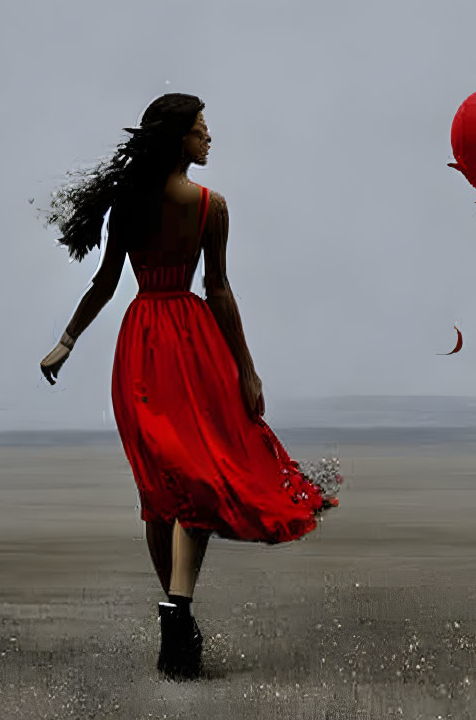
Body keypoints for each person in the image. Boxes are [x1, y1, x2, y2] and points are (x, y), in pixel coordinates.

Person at [38, 93, 342, 680]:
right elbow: (214, 292)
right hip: (181, 343)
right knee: (171, 488)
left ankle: (177, 615)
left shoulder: (171, 206)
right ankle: (178, 610)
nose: (209, 138)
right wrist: (68, 340)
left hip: (149, 344)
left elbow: (113, 285)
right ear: (180, 138)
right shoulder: (208, 205)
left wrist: (72, 339)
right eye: (202, 129)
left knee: (181, 485)